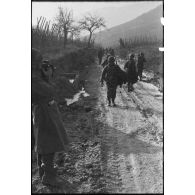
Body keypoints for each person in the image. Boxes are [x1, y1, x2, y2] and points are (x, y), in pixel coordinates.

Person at [32, 48, 69, 187]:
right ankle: (48, 176)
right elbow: (50, 91)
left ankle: (44, 172)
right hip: (44, 112)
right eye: (38, 61)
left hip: (44, 110)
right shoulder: (32, 79)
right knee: (48, 143)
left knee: (44, 143)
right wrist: (48, 77)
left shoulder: (34, 75)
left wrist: (45, 76)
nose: (40, 64)